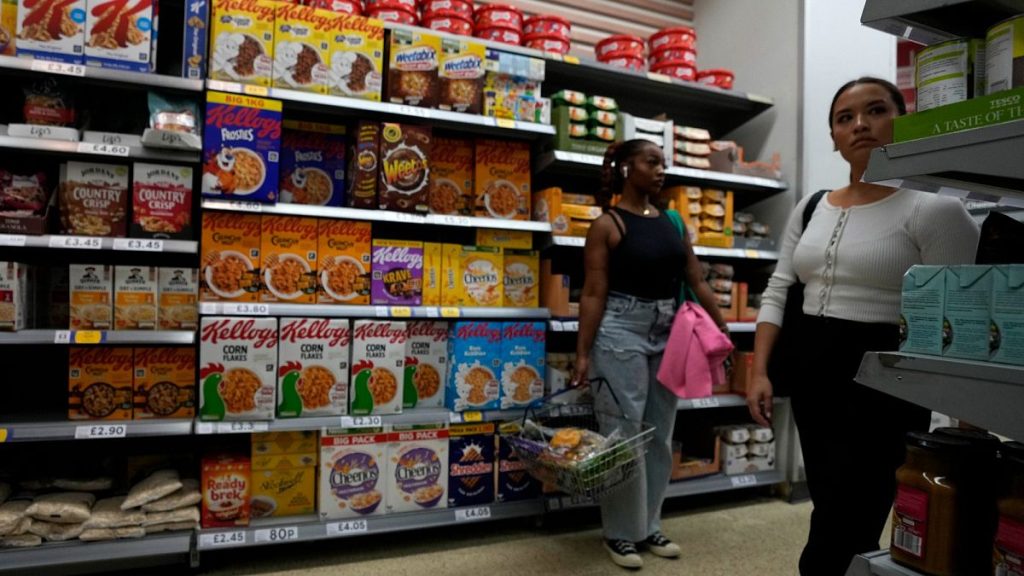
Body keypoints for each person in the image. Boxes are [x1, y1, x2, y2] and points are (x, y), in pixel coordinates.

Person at [746, 77, 980, 575]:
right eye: (844, 118)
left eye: (875, 110)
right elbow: (778, 288)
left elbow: (958, 318)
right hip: (813, 376)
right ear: (833, 136)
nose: (860, 125)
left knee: (853, 514)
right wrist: (758, 370)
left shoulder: (935, 208)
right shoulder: (812, 206)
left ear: (902, 120)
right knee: (830, 501)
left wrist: (962, 415)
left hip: (884, 380)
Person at [572, 139, 730, 569]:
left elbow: (696, 279)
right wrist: (583, 354)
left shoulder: (674, 222)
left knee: (660, 433)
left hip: (670, 331)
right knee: (624, 435)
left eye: (663, 163)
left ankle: (649, 523)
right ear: (626, 169)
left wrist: (721, 324)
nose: (662, 170)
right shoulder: (607, 225)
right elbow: (592, 292)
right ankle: (621, 533)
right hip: (620, 329)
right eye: (652, 162)